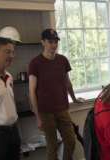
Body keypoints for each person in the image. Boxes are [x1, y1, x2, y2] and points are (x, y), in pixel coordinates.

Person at [28, 28, 83, 160]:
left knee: (71, 141)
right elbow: (32, 91)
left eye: (55, 42)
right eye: (50, 42)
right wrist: (38, 117)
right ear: (43, 42)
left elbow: (68, 83)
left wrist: (74, 98)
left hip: (62, 108)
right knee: (52, 146)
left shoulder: (62, 60)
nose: (53, 45)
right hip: (46, 112)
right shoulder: (35, 63)